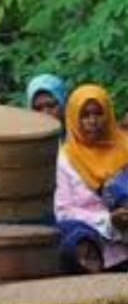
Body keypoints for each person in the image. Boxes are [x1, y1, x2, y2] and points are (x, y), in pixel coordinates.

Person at [55, 85, 128, 271]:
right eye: (85, 115)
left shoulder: (125, 146)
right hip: (96, 254)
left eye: (98, 113)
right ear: (73, 119)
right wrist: (108, 221)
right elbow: (64, 211)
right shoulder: (65, 160)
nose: (93, 121)